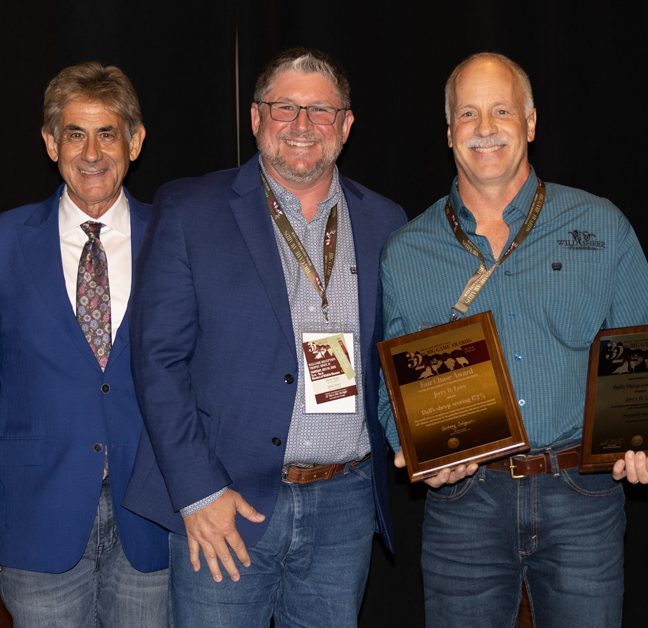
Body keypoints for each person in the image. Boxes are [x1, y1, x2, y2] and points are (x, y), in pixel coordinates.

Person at [377, 52, 648, 628]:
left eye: (502, 111)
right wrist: (415, 449)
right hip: (464, 503)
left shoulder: (600, 225)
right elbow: (393, 387)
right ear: (449, 132)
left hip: (583, 497)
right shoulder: (406, 251)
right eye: (468, 113)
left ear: (530, 123)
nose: (485, 128)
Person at [122, 47, 406, 626]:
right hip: (226, 505)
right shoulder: (191, 208)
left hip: (345, 506)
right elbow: (157, 360)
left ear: (345, 125)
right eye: (284, 107)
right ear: (256, 118)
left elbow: (397, 356)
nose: (302, 124)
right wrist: (198, 492)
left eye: (321, 110)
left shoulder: (386, 221)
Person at [0, 62, 168, 625]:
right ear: (50, 143)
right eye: (74, 134)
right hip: (37, 521)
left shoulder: (176, 239)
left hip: (153, 521)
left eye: (107, 133)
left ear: (135, 142)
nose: (91, 153)